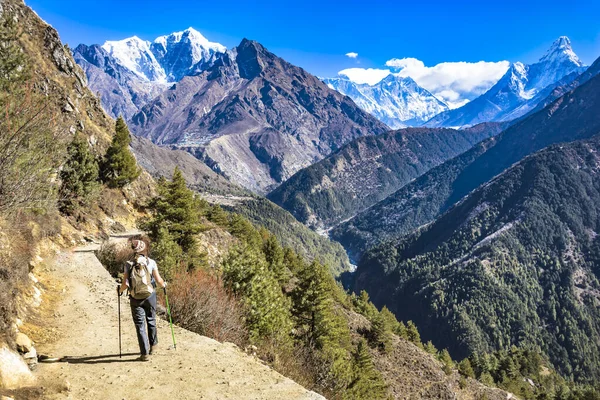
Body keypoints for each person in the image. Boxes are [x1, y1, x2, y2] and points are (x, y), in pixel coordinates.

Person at [117, 239, 167, 361]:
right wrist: (164, 285)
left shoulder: (128, 264)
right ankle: (153, 346)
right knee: (151, 320)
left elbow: (125, 284)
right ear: (145, 249)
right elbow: (159, 281)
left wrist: (119, 291)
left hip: (135, 298)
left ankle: (144, 353)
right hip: (150, 296)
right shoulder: (151, 262)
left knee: (140, 325)